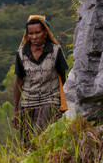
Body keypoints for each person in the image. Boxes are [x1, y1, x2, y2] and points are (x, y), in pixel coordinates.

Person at [12, 14, 68, 147]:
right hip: (28, 103)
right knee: (26, 144)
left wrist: (64, 104)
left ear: (45, 33)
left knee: (39, 138)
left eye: (37, 32)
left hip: (50, 100)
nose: (34, 37)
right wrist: (15, 110)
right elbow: (19, 81)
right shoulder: (21, 53)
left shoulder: (55, 51)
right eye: (30, 33)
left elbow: (63, 79)